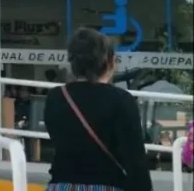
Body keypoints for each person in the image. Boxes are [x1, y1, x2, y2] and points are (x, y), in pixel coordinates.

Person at [43, 28, 152, 191]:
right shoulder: (122, 100)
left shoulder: (56, 97)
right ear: (111, 62)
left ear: (73, 63)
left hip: (61, 185)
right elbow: (135, 161)